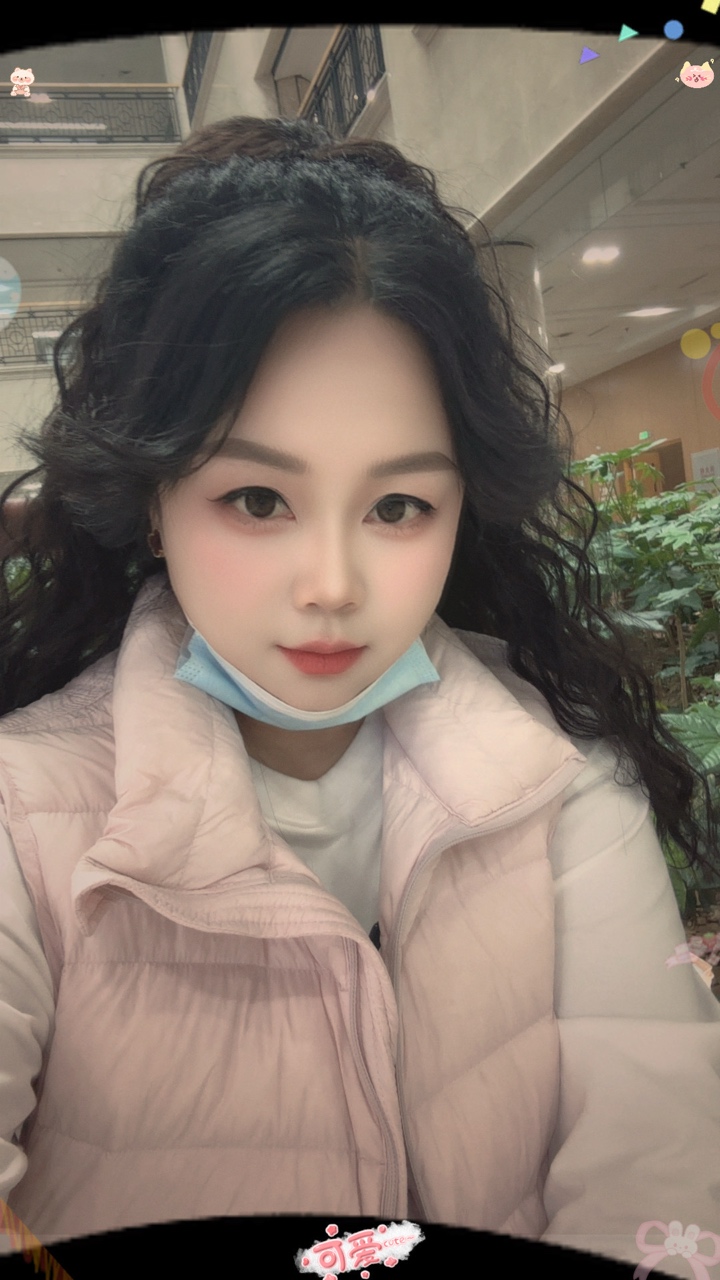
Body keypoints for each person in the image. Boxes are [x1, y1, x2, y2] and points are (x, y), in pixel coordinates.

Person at [0, 116, 718, 1272]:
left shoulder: (565, 783)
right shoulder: (19, 819)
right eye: (257, 500)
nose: (333, 586)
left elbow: (663, 1183)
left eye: (398, 507)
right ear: (152, 500)